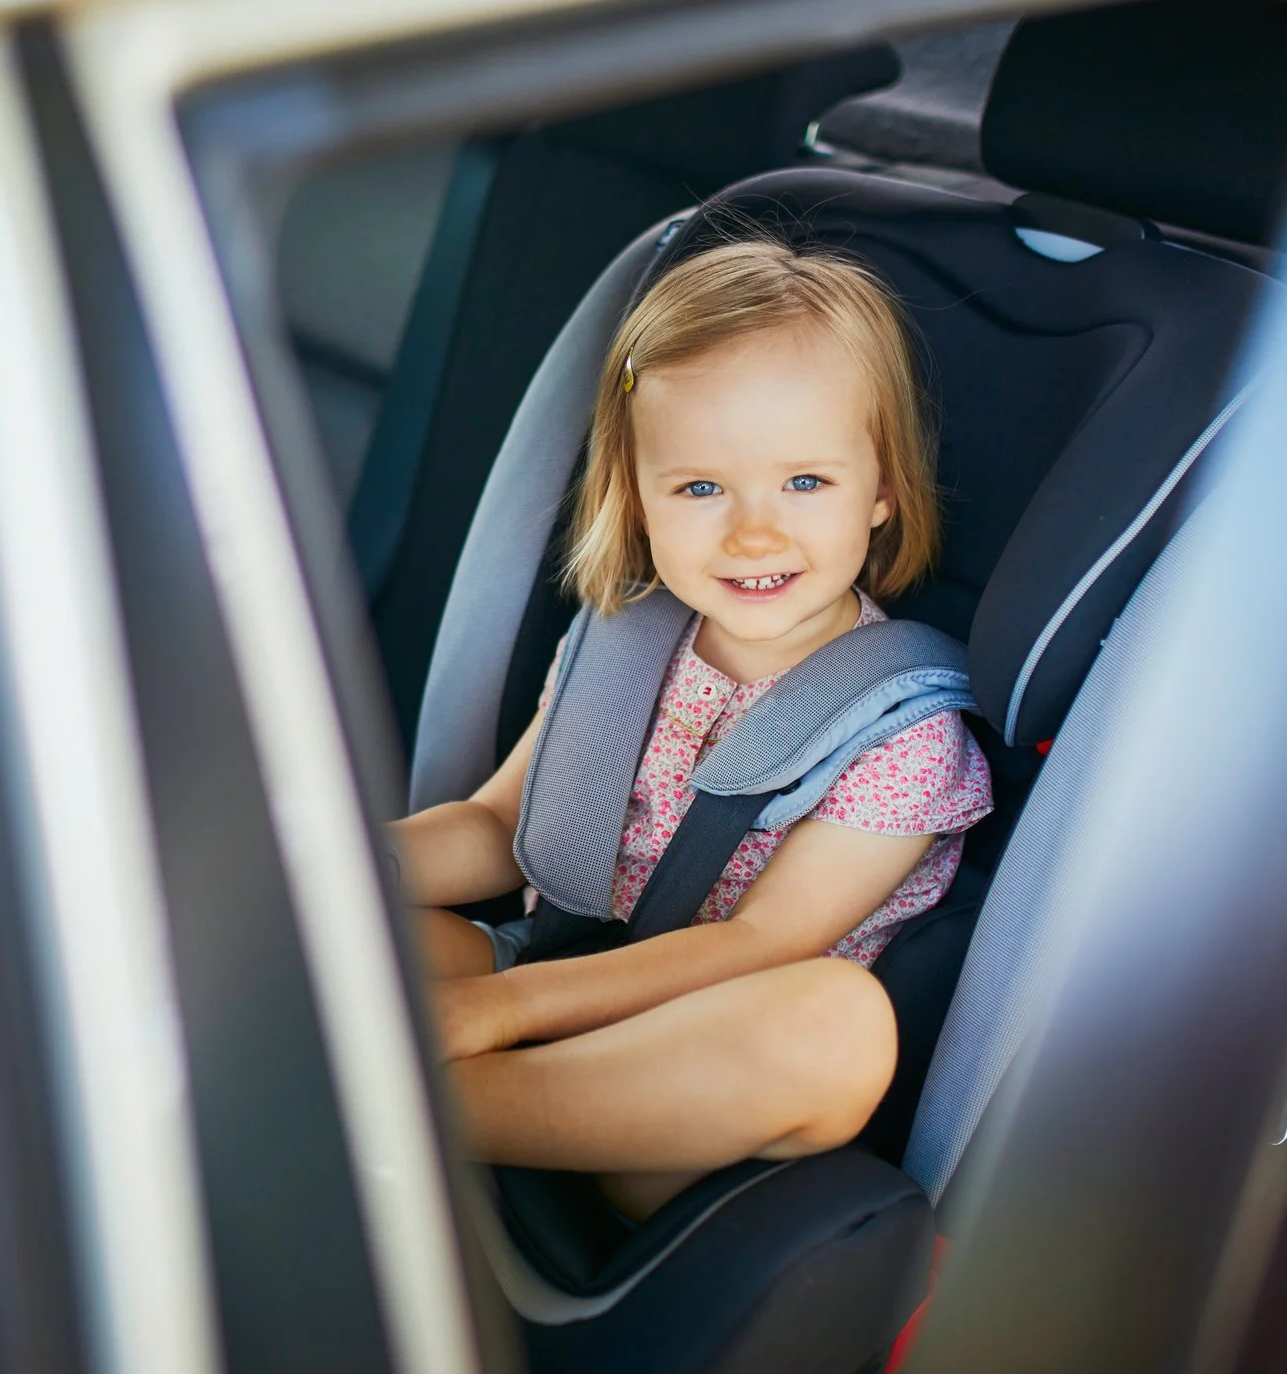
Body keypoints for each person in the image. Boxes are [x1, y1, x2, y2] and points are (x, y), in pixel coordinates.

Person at [389, 239, 992, 1220]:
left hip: (690, 1078)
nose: (754, 533)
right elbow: (501, 828)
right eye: (702, 488)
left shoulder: (903, 737)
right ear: (638, 495)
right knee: (332, 936)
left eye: (806, 483)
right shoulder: (623, 645)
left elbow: (761, 944)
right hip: (550, 964)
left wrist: (501, 1011)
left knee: (836, 1024)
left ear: (881, 490)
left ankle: (396, 1106)